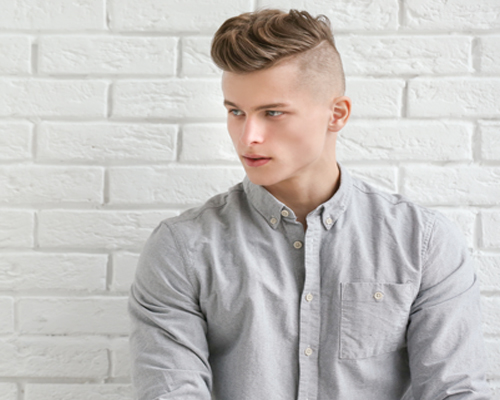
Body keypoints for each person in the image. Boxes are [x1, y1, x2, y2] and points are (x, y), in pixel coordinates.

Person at [128, 9, 491, 400]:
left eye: (272, 113)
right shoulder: (182, 248)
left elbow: (456, 391)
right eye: (236, 111)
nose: (248, 136)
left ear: (336, 115)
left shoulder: (422, 242)